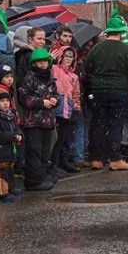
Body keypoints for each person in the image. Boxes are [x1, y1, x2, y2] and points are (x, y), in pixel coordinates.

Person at [83, 10, 128, 171]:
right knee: (115, 125)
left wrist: (93, 86)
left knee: (98, 124)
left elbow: (87, 68)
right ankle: (115, 158)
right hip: (120, 91)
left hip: (99, 91)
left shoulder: (96, 48)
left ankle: (96, 158)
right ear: (121, 33)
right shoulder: (126, 50)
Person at [18, 48, 59, 189]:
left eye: (45, 61)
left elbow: (57, 94)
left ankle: (41, 176)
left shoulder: (51, 78)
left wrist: (55, 100)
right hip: (34, 121)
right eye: (40, 61)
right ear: (34, 63)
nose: (43, 64)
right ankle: (33, 180)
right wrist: (42, 102)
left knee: (44, 151)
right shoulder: (29, 79)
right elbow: (24, 98)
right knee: (34, 151)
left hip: (48, 121)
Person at [50, 47, 81, 175]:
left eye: (71, 56)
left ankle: (56, 164)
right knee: (53, 139)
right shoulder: (54, 69)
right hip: (55, 109)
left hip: (66, 111)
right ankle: (51, 165)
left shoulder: (74, 76)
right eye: (66, 56)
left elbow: (76, 94)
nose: (68, 58)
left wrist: (76, 109)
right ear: (61, 56)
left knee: (62, 139)